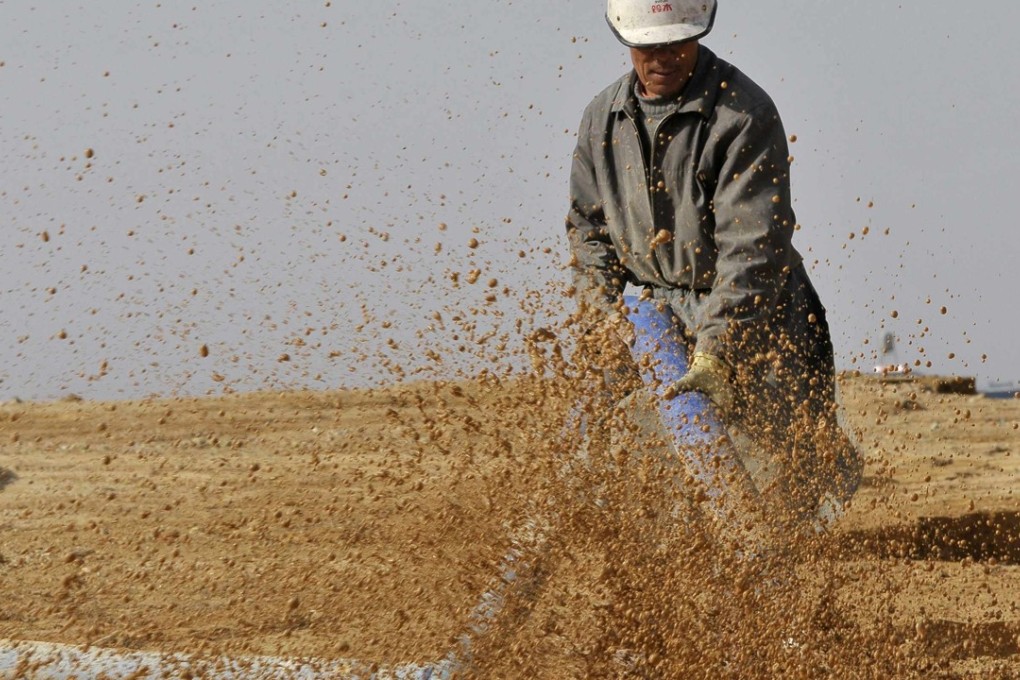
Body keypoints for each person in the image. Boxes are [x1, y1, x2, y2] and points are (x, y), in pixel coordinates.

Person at [566, 0, 861, 528]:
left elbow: (752, 248)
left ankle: (823, 468)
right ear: (626, 39)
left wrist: (717, 350)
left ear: (698, 33)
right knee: (633, 458)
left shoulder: (741, 113)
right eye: (649, 46)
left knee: (786, 464)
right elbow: (588, 231)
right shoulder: (602, 119)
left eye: (676, 43)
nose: (663, 58)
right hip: (652, 314)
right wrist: (605, 315)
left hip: (757, 308)